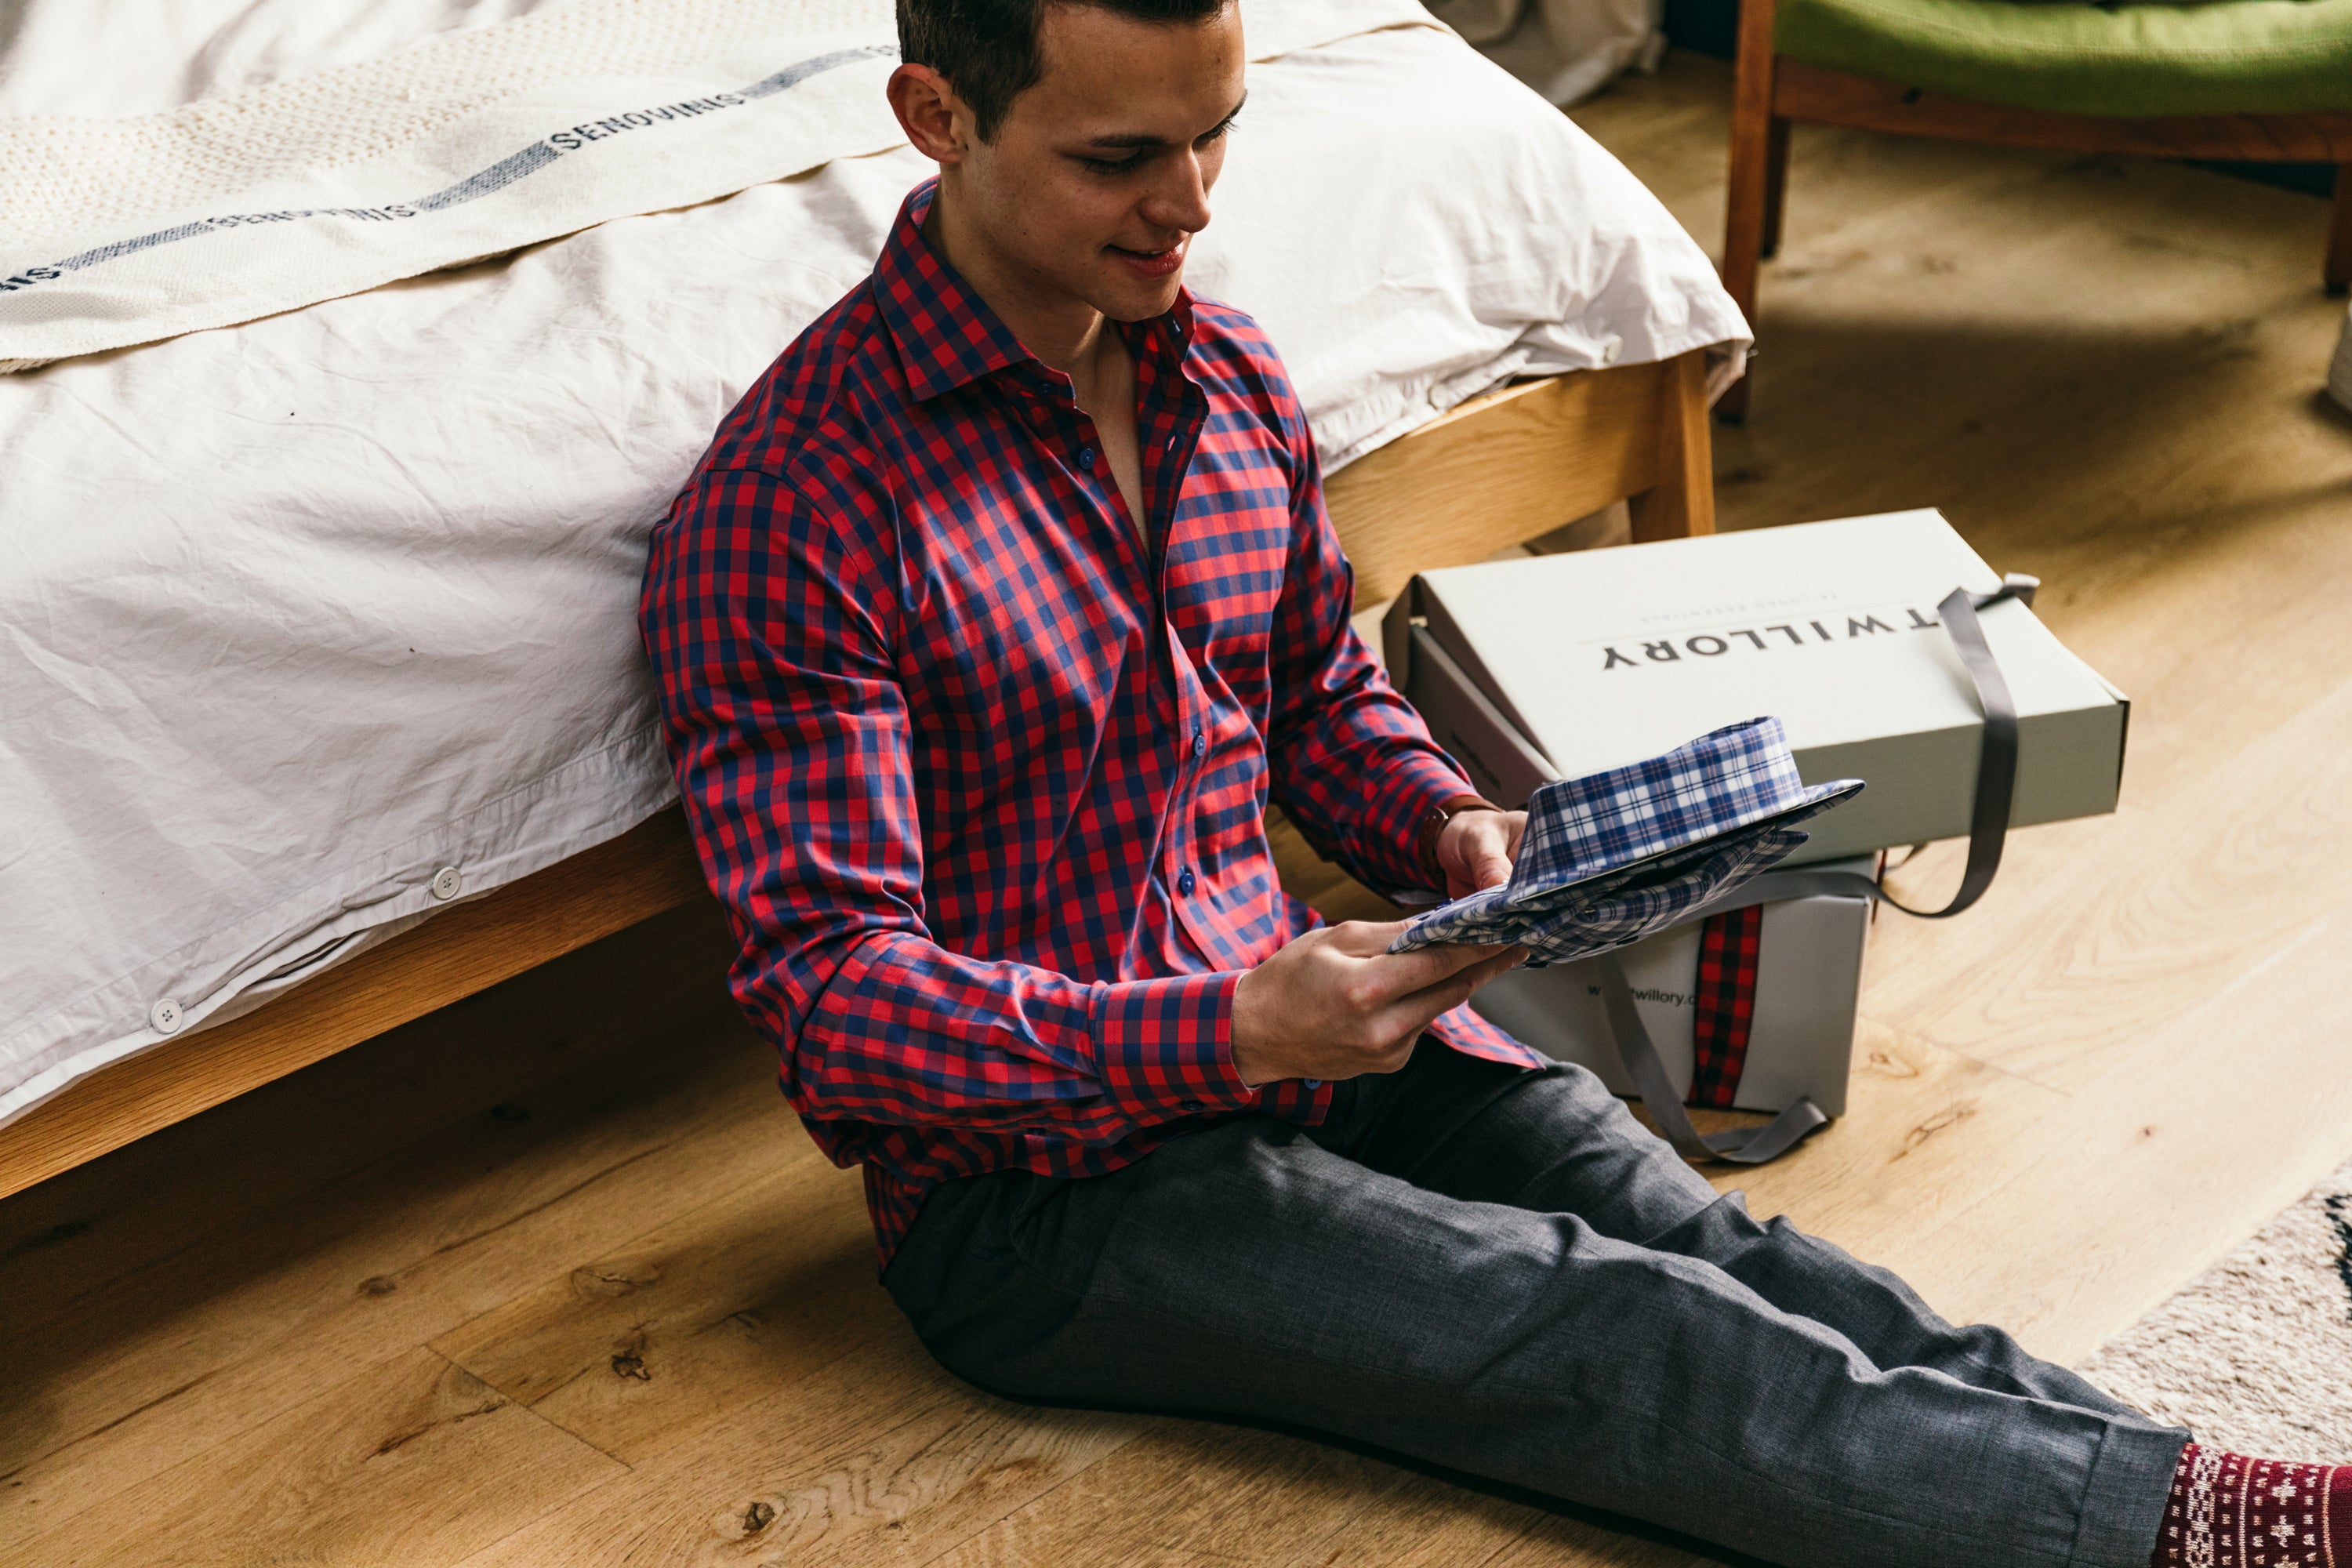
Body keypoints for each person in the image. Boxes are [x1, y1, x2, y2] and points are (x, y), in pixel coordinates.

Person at [637, 2, 2348, 1563]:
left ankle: (2224, 1515)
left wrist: (1439, 820)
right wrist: (1228, 1030)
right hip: (1045, 1186)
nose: (1193, 202)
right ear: (936, 113)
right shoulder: (798, 506)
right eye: (1120, 157)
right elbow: (838, 1004)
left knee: (1736, 1261)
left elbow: (1311, 691)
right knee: (1604, 1328)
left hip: (1329, 1028)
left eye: (1214, 131)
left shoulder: (1221, 376)